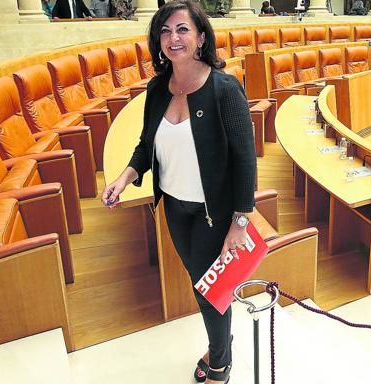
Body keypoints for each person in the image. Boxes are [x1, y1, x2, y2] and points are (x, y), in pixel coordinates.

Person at [101, 1, 256, 383]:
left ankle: (220, 362)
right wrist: (124, 178)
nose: (174, 38)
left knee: (208, 291)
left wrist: (240, 220)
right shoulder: (157, 88)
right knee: (200, 283)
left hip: (213, 214)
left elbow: (245, 159)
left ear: (201, 37)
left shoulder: (224, 89)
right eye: (166, 31)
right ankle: (223, 344)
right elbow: (146, 146)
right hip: (173, 208)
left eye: (183, 29)